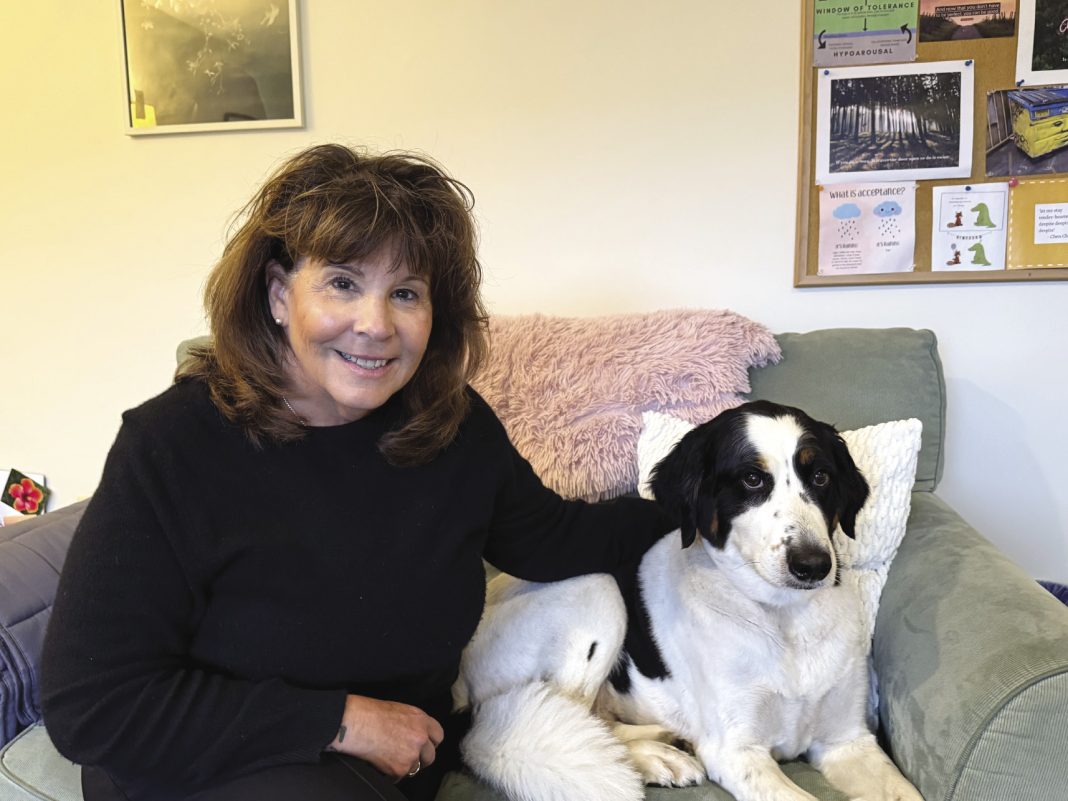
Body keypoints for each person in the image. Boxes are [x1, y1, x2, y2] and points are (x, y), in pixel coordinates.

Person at [40, 144, 675, 801]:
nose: (375, 325)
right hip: (191, 760)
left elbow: (559, 536)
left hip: (372, 771)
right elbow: (92, 701)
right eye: (343, 282)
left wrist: (708, 510)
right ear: (279, 293)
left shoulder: (454, 430)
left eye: (405, 293)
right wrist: (341, 720)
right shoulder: (171, 446)